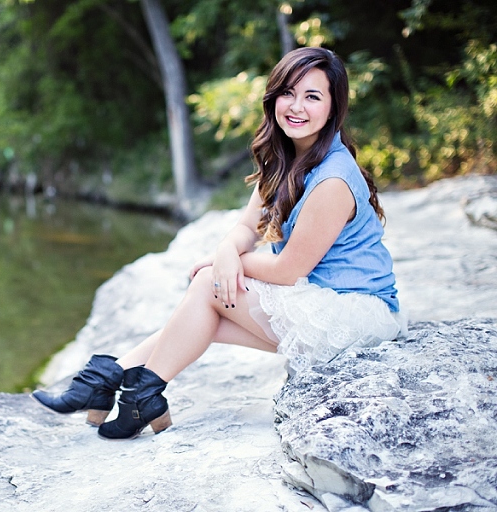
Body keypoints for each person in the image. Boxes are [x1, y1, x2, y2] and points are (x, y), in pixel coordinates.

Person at [32, 47, 407, 440]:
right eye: (288, 93)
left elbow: (288, 270)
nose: (296, 106)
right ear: (273, 97)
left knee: (210, 287)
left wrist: (229, 264)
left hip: (356, 314)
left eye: (312, 96)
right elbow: (248, 226)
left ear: (334, 109)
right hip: (318, 297)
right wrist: (227, 251)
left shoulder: (332, 180)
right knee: (204, 315)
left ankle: (120, 385)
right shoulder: (284, 158)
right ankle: (126, 386)